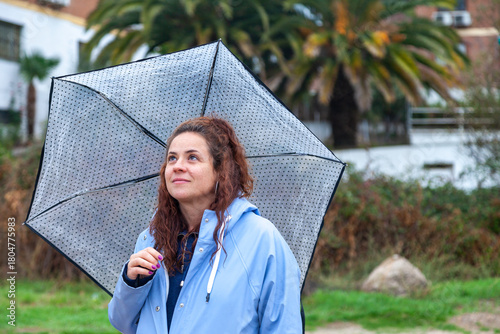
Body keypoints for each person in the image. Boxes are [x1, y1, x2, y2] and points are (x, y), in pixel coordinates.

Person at [108, 116, 302, 333]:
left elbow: (285, 326)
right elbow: (122, 322)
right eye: (172, 158)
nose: (178, 166)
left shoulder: (261, 239)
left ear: (221, 170)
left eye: (192, 157)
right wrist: (132, 283)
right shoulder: (151, 238)